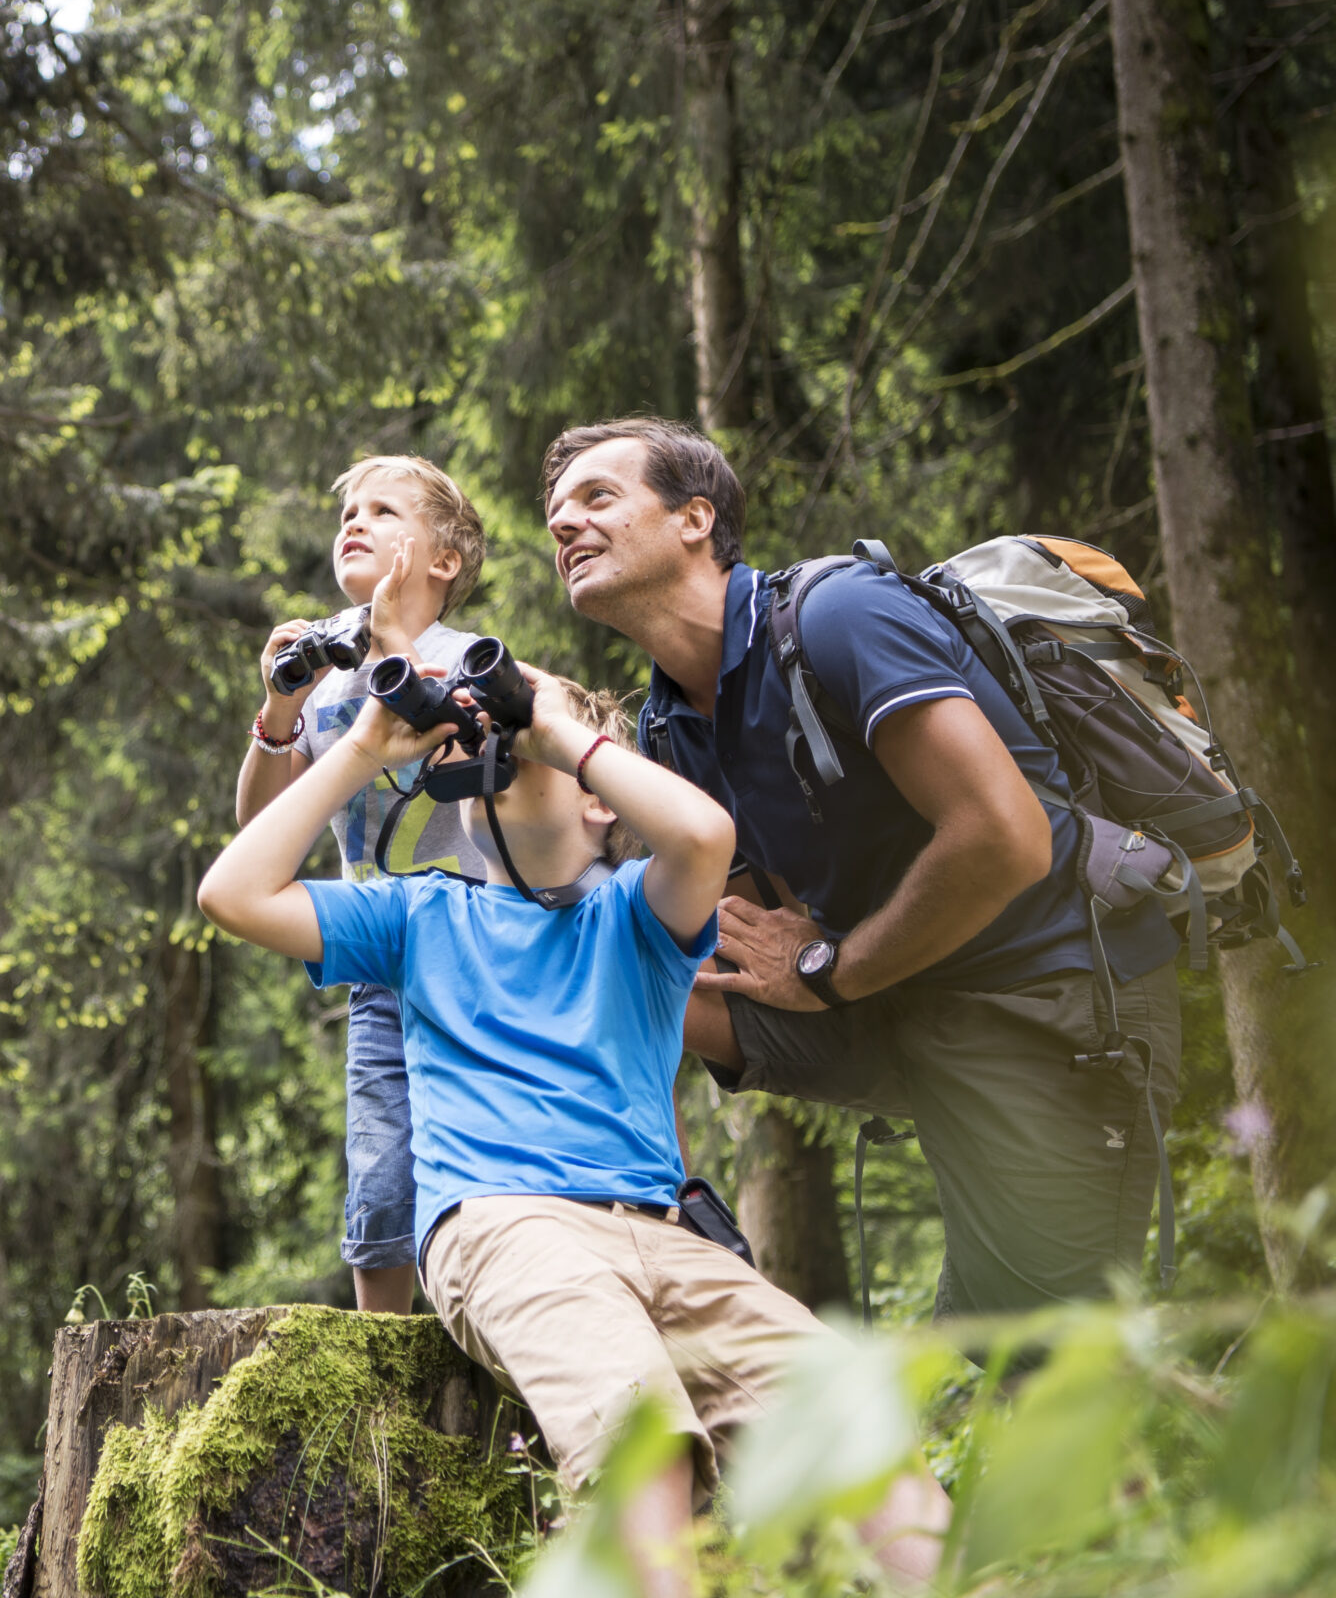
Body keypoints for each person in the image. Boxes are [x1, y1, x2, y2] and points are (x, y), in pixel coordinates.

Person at [197, 661, 950, 1597]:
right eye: (490, 747)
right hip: (505, 1221)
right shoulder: (421, 915)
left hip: (665, 1236)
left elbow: (704, 833)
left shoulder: (634, 913)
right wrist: (360, 749)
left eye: (522, 747)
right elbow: (232, 895)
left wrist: (556, 729)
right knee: (640, 1437)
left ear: (597, 799)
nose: (498, 752)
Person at [542, 416, 1182, 1317]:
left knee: (1037, 1351)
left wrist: (831, 970)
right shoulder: (669, 726)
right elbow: (747, 929)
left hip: (1047, 991)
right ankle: (657, 1233)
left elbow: (1007, 836)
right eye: (556, 511)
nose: (564, 521)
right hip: (895, 994)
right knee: (618, 961)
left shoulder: (836, 616)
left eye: (598, 496)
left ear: (694, 518)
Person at [237, 455, 491, 1315]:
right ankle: (380, 1353)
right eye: (349, 511)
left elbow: (468, 762)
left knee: (477, 1160)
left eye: (384, 512)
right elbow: (262, 828)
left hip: (477, 949)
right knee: (380, 1172)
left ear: (444, 560)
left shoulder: (467, 659)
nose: (355, 521)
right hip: (380, 964)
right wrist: (281, 709)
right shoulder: (326, 680)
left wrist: (389, 644)